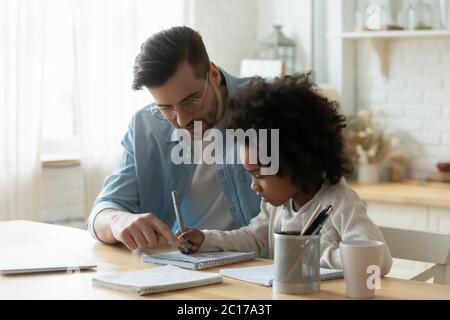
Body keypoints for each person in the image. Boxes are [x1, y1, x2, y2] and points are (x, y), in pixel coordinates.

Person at [176, 73, 393, 274]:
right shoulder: (277, 205)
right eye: (250, 174)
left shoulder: (339, 201)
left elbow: (378, 259)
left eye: (260, 174)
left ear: (295, 161)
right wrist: (206, 239)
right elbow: (253, 238)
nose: (254, 185)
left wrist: (309, 255)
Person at [86, 26, 261, 250]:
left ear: (214, 75)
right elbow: (102, 212)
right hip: (180, 267)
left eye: (190, 101)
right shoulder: (145, 127)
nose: (181, 120)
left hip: (257, 268)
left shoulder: (270, 104)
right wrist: (117, 220)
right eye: (166, 108)